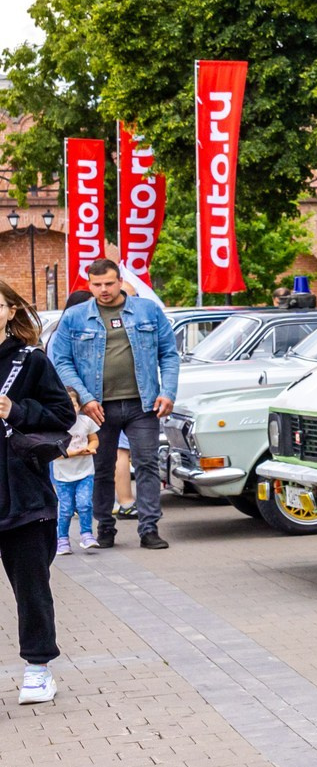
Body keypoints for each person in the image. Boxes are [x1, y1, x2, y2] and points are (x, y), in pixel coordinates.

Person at [47, 256, 178, 549]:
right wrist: (85, 398)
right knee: (101, 467)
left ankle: (149, 529)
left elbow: (169, 353)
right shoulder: (75, 317)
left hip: (142, 403)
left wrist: (168, 391)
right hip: (98, 407)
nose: (104, 289)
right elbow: (62, 361)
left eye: (109, 283)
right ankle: (105, 527)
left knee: (147, 464)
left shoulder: (147, 310)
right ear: (89, 285)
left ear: (120, 281)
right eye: (97, 284)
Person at [0, 283, 76, 704]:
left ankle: (38, 667)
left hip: (23, 495)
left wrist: (16, 410)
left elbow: (63, 415)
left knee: (31, 587)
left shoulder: (30, 361)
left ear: (11, 311)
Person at [53, 412, 97, 554]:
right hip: (63, 477)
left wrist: (91, 447)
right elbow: (53, 452)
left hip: (85, 472)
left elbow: (94, 439)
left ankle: (87, 534)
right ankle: (62, 539)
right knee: (66, 510)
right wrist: (76, 453)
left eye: (75, 405)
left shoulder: (86, 421)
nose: (71, 409)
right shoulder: (54, 423)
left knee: (85, 504)